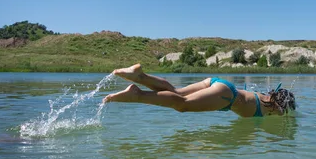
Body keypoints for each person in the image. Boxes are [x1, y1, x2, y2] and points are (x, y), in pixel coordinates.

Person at [103, 64, 296, 117]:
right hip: (226, 96)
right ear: (281, 105)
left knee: (177, 92)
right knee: (182, 106)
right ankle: (137, 94)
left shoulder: (264, 97)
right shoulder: (271, 109)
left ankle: (140, 75)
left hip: (218, 83)